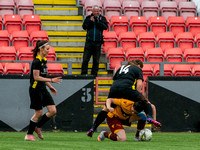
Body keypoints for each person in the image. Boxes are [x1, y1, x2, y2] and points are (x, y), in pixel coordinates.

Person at [87, 59, 161, 137]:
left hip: (114, 88)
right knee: (145, 102)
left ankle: (93, 128)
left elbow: (115, 80)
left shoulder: (121, 67)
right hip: (126, 88)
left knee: (105, 109)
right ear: (138, 65)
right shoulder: (137, 68)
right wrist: (138, 97)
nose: (140, 69)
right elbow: (139, 84)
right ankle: (149, 117)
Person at [25, 40, 62, 141]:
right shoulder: (36, 61)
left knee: (53, 110)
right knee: (39, 113)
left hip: (43, 88)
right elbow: (36, 77)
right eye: (47, 49)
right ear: (41, 49)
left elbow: (42, 76)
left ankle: (38, 127)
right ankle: (29, 135)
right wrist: (51, 80)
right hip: (35, 89)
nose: (49, 51)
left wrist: (49, 86)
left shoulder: (44, 60)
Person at [81, 5, 108, 77]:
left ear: (99, 11)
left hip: (98, 42)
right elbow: (84, 27)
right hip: (89, 42)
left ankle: (94, 75)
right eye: (94, 11)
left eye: (97, 11)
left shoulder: (102, 18)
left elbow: (105, 27)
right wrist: (90, 21)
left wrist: (97, 22)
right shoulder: (88, 18)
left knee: (96, 60)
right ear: (92, 11)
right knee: (85, 59)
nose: (96, 13)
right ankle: (83, 74)